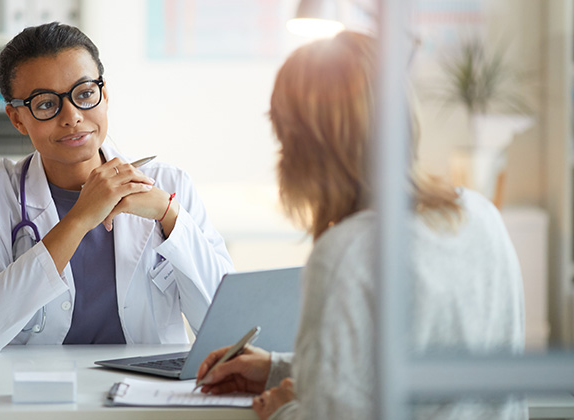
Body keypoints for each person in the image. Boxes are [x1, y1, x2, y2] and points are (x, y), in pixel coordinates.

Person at [196, 31, 526, 419]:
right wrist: (278, 370)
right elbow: (406, 373)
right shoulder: (480, 214)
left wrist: (282, 410)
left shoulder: (348, 253)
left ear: (303, 147)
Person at [0, 22, 233, 355]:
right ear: (17, 118)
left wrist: (170, 216)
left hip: (147, 399)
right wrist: (79, 219)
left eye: (84, 94)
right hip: (34, 399)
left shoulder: (169, 186)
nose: (72, 117)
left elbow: (227, 329)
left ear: (105, 94)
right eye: (45, 104)